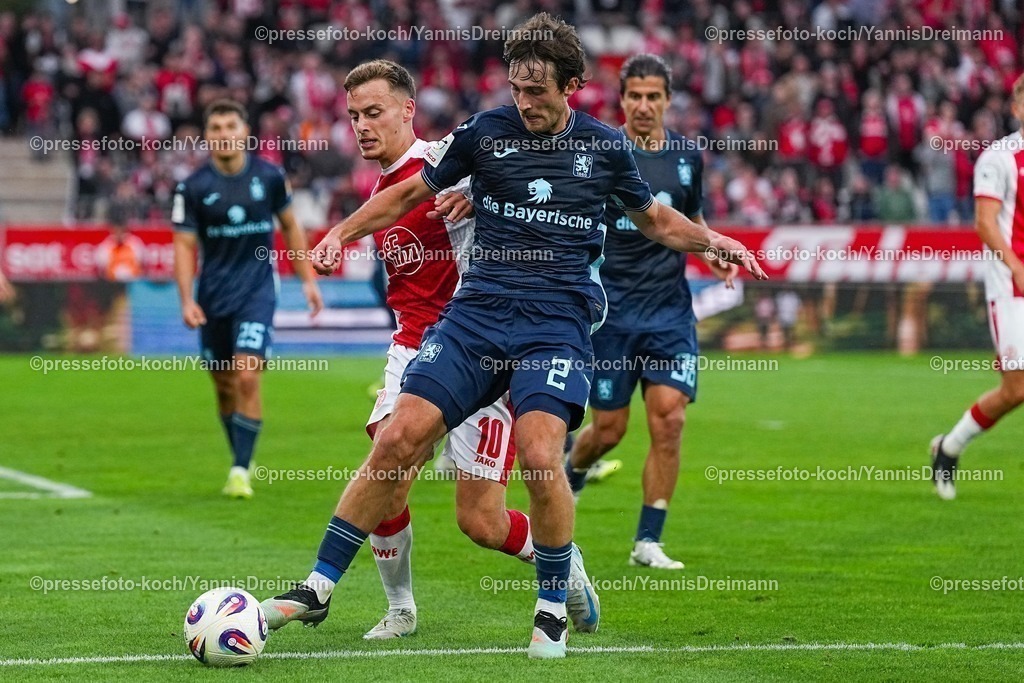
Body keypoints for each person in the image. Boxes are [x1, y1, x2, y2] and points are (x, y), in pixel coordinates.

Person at [261, 13, 764, 659]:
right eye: (517, 89)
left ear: (573, 86)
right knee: (397, 435)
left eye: (537, 92)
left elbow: (658, 219)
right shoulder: (485, 132)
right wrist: (337, 234)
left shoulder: (606, 148)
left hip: (554, 325)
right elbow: (407, 193)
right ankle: (318, 586)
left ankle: (551, 606)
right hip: (476, 317)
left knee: (539, 452)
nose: (523, 102)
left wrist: (713, 239)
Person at [336, 59, 597, 641]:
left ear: (407, 110)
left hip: (478, 346)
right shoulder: (380, 189)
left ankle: (560, 558)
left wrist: (478, 197)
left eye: (373, 112)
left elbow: (525, 192)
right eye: (353, 116)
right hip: (415, 346)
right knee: (388, 458)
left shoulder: (444, 164)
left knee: (480, 521)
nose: (361, 126)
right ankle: (400, 607)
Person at [564, 54, 737, 571]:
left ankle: (648, 540)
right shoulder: (600, 152)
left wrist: (714, 253)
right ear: (622, 99)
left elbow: (693, 220)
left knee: (670, 421)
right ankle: (572, 473)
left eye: (653, 96)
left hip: (668, 314)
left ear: (667, 100)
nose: (643, 105)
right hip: (612, 317)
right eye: (634, 96)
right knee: (609, 429)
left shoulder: (687, 156)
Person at [172, 99, 323, 499]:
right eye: (216, 128)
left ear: (245, 132)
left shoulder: (269, 176)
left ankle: (240, 469)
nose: (224, 134)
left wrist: (306, 280)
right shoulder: (193, 187)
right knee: (223, 386)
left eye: (230, 126)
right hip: (213, 296)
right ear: (207, 137)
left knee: (246, 376)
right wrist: (187, 299)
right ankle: (241, 452)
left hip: (257, 293)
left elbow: (290, 227)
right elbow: (184, 247)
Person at [930, 74, 1024, 500]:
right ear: (1017, 109)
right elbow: (985, 223)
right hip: (1011, 288)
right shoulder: (1000, 158)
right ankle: (949, 449)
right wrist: (1016, 265)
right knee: (1016, 390)